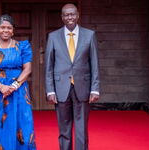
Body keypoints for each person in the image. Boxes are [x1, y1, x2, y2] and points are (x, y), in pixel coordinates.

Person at [45, 4, 100, 150]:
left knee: (82, 128)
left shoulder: (89, 35)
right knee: (64, 129)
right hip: (61, 88)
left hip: (83, 87)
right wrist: (50, 90)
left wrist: (95, 89)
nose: (70, 17)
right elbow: (49, 65)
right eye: (66, 15)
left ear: (78, 15)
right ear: (62, 17)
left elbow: (94, 63)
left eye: (72, 14)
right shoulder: (53, 36)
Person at [0, 14, 36, 150]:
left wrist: (14, 86)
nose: (6, 30)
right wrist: (1, 86)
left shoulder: (22, 47)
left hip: (18, 90)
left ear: (13, 30)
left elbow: (27, 69)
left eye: (9, 28)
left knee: (20, 121)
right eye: (2, 27)